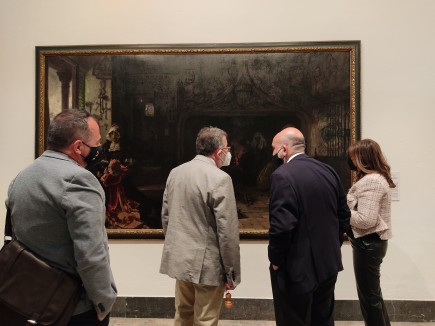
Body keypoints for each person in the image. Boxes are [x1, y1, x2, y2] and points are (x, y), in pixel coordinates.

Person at [5, 109, 117, 325]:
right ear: (78, 147)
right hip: (70, 307)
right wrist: (103, 301)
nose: (100, 146)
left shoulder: (23, 175)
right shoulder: (79, 180)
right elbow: (91, 254)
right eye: (96, 142)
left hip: (25, 299)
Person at [268, 127, 350, 326]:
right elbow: (344, 216)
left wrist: (276, 259)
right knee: (323, 319)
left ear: (284, 150)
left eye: (274, 149)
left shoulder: (282, 175)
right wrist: (334, 245)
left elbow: (283, 226)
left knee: (293, 320)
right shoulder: (328, 170)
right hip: (328, 264)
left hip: (296, 268)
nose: (273, 154)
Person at [160, 126, 241, 326]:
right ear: (219, 152)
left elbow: (166, 217)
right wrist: (231, 273)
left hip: (180, 259)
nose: (228, 153)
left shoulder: (176, 172)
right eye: (227, 149)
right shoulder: (220, 178)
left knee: (183, 314)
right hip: (207, 265)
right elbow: (227, 232)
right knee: (205, 320)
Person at [347, 139, 395, 326]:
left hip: (368, 243)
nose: (350, 160)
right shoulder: (374, 178)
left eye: (353, 156)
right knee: (373, 296)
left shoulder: (372, 181)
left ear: (362, 158)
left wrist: (341, 210)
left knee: (370, 299)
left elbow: (366, 220)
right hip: (370, 243)